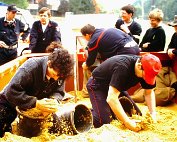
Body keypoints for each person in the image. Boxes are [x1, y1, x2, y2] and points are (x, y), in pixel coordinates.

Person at [0, 46, 74, 137]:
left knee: (47, 129)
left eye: (59, 77)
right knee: (3, 130)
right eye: (54, 74)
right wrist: (35, 103)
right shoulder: (31, 67)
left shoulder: (60, 72)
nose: (56, 78)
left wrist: (53, 100)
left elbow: (59, 91)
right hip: (9, 102)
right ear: (49, 63)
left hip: (33, 105)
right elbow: (11, 91)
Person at [86, 53, 162, 132]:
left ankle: (103, 108)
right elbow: (111, 98)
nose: (146, 79)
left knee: (136, 115)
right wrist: (127, 122)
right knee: (103, 121)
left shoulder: (146, 69)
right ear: (139, 66)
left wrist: (153, 113)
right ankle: (84, 111)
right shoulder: (123, 67)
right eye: (145, 76)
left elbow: (149, 92)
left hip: (116, 88)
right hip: (98, 85)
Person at [80, 24, 140, 97]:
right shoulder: (104, 30)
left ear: (87, 35)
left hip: (125, 51)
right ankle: (121, 95)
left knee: (115, 75)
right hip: (135, 48)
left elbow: (91, 59)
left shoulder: (94, 39)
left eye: (84, 37)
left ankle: (116, 96)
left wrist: (86, 65)